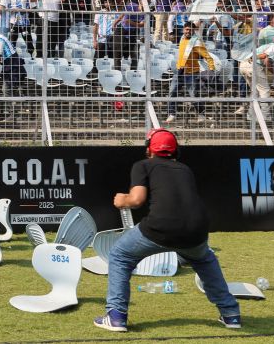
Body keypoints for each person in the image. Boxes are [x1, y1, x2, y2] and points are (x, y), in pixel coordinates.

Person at [93, 128, 240, 332]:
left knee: (120, 255)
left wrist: (122, 200)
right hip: (197, 229)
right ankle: (231, 314)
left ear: (149, 149)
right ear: (175, 150)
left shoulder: (143, 165)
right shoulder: (184, 169)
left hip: (160, 227)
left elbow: (136, 200)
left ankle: (116, 316)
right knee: (205, 260)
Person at [166, 23, 216, 124]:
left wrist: (211, 69)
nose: (188, 31)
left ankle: (201, 115)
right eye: (186, 29)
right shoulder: (182, 38)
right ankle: (172, 114)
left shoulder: (196, 42)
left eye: (190, 30)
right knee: (172, 92)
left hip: (192, 73)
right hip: (179, 71)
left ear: (194, 31)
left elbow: (207, 56)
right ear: (183, 30)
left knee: (193, 95)